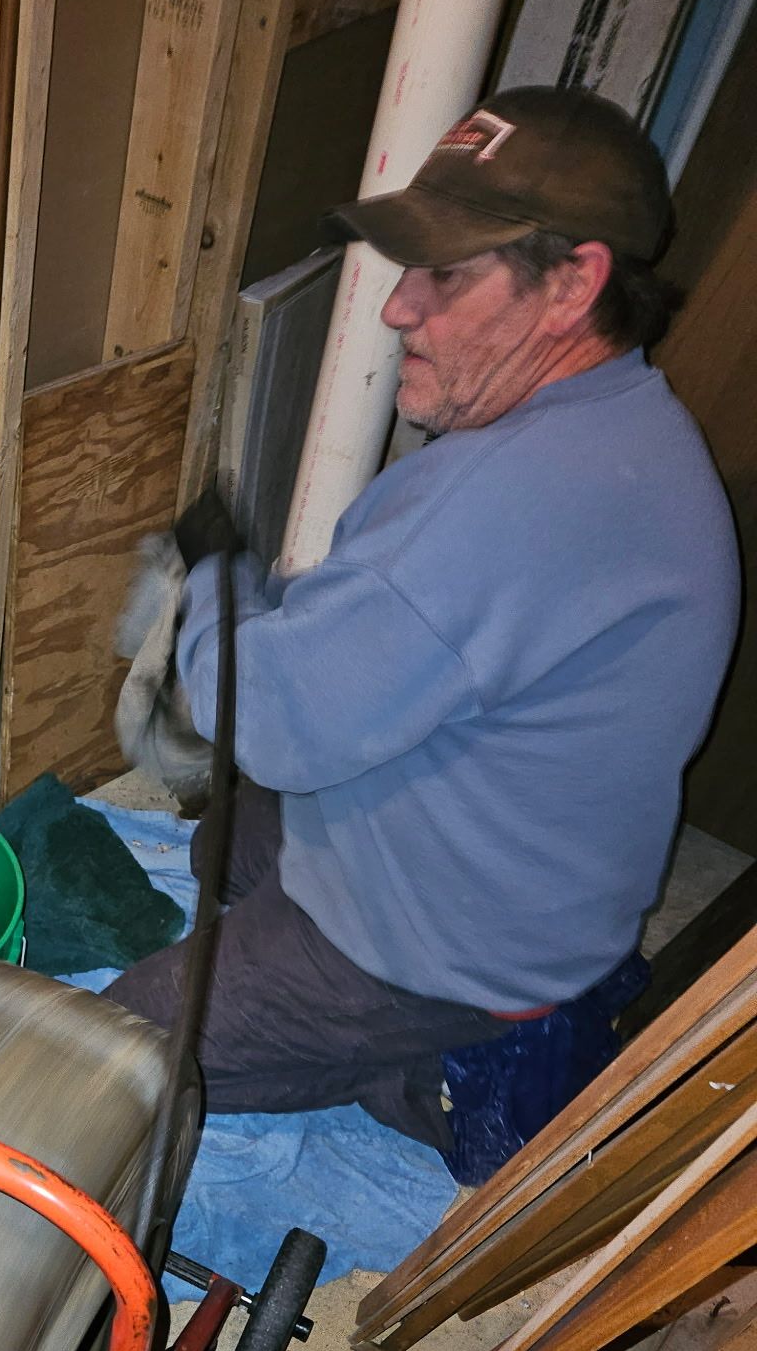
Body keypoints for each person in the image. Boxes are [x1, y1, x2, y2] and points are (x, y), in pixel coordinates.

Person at [108, 85, 739, 1151]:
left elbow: (269, 719)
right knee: (225, 836)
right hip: (513, 873)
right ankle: (394, 1036)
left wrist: (209, 588)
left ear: (573, 284)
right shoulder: (621, 429)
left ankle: (437, 1076)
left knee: (104, 1055)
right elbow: (387, 639)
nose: (401, 308)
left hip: (455, 949)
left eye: (445, 275)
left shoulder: (514, 501)